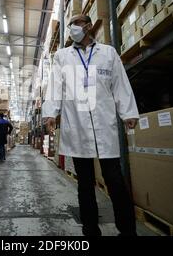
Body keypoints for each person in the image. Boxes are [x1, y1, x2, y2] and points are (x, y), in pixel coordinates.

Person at [42, 14, 139, 236]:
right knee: (84, 184)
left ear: (87, 26)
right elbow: (56, 87)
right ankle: (90, 230)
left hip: (105, 125)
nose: (72, 28)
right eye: (70, 25)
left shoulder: (108, 53)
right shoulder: (62, 56)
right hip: (77, 125)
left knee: (115, 180)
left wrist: (128, 113)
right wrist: (50, 113)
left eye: (76, 23)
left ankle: (127, 231)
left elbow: (120, 84)